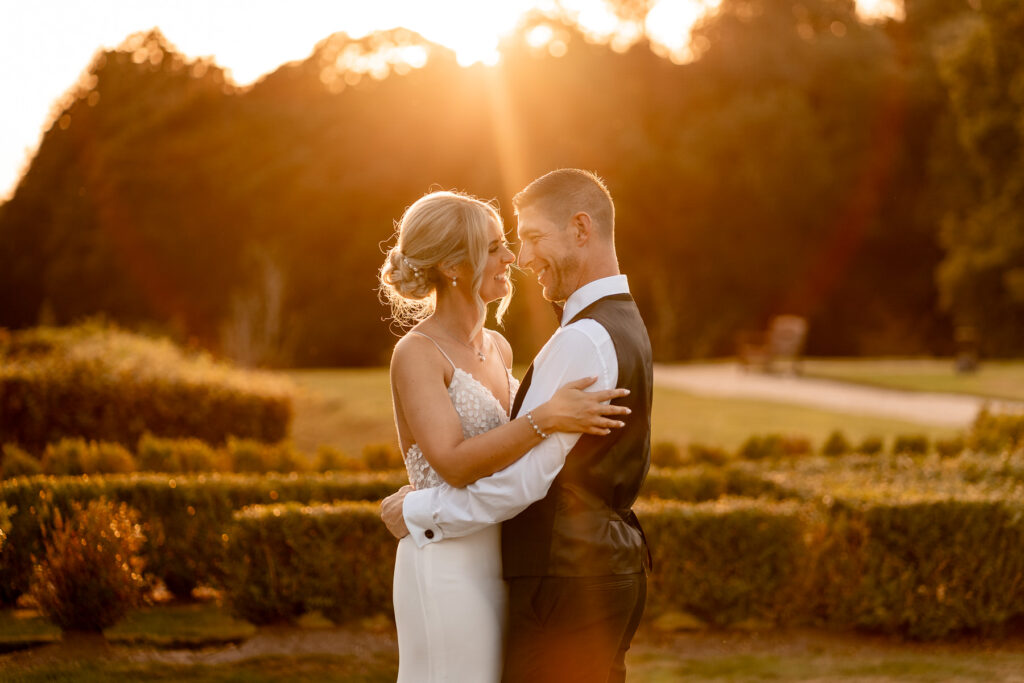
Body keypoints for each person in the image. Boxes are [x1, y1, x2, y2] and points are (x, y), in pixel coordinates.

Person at [382, 169, 653, 683]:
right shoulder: (416, 353)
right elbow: (458, 464)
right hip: (450, 555)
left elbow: (525, 468)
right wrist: (542, 419)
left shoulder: (500, 348)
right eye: (497, 247)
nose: (515, 258)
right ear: (453, 266)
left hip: (503, 553)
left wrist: (416, 508)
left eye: (521, 240)